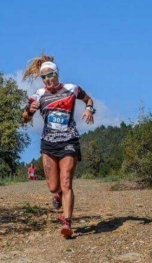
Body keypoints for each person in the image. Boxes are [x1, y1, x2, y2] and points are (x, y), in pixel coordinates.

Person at [21, 54, 96, 238]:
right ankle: (57, 195)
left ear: (57, 74)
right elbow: (24, 116)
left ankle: (67, 222)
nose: (47, 80)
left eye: (50, 75)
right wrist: (29, 112)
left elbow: (89, 100)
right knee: (54, 186)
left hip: (69, 141)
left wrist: (89, 110)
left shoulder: (72, 89)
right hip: (48, 144)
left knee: (66, 182)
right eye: (43, 77)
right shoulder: (38, 96)